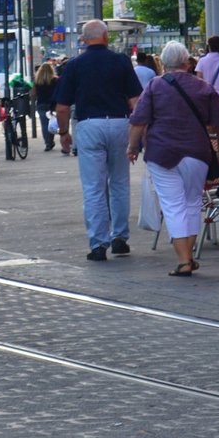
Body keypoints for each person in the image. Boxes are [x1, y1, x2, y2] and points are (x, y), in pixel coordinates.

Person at [126, 40, 219, 277]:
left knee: (173, 206)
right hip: (197, 153)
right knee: (193, 203)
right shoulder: (203, 87)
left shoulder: (154, 86)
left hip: (162, 153)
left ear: (163, 63)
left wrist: (132, 147)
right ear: (187, 62)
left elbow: (138, 120)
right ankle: (188, 257)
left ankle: (184, 260)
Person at [54, 20, 143, 261]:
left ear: (83, 40)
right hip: (119, 123)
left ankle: (98, 244)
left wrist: (63, 133)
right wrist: (138, 133)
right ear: (105, 36)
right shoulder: (121, 62)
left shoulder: (73, 66)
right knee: (120, 182)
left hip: (89, 125)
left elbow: (62, 107)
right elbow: (136, 102)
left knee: (94, 187)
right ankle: (120, 238)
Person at [196, 35, 219, 115]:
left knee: (210, 124)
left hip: (208, 97)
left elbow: (199, 81)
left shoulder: (202, 61)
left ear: (209, 46)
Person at [33, 61, 60, 151]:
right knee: (52, 122)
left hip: (41, 103)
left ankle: (48, 143)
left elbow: (33, 93)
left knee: (44, 124)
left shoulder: (37, 81)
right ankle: (50, 140)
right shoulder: (55, 80)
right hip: (52, 104)